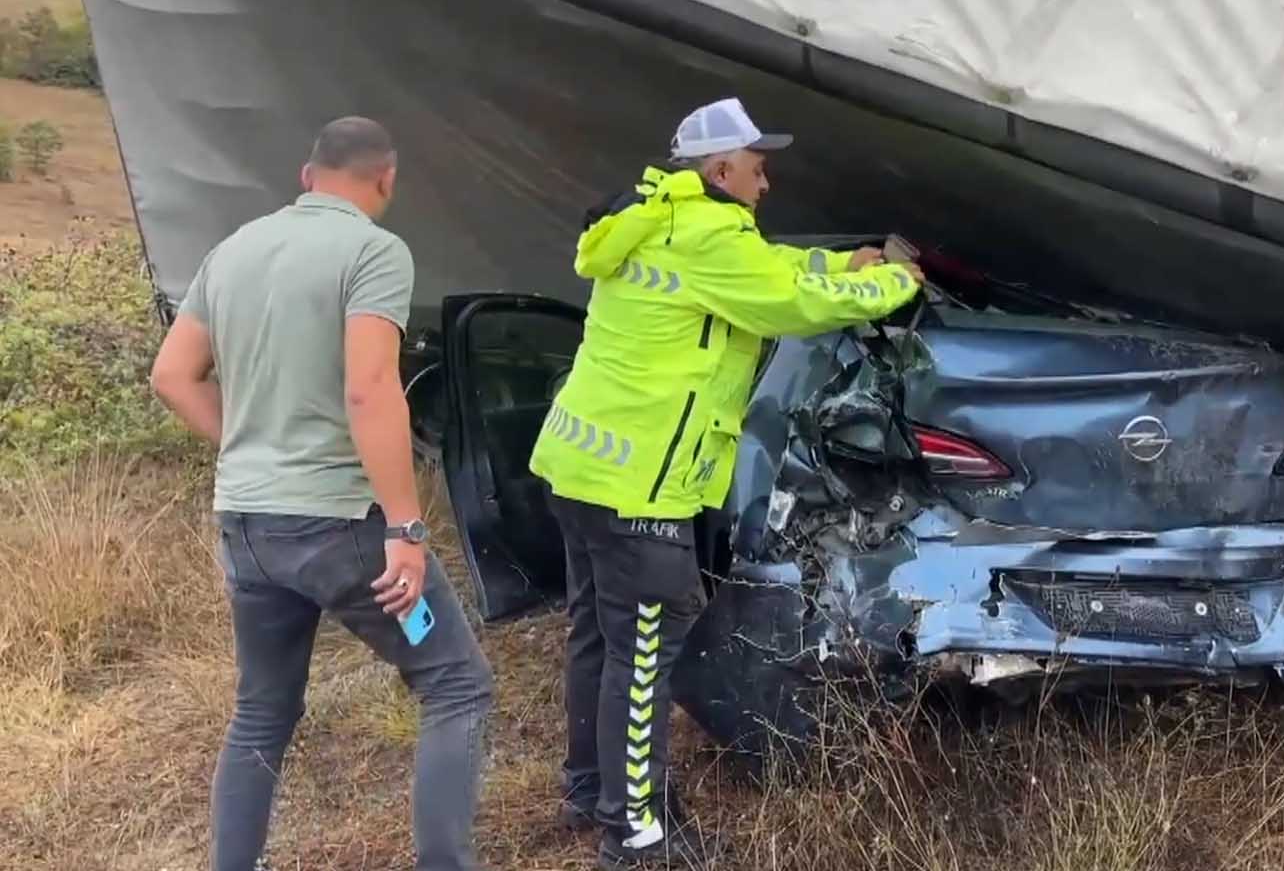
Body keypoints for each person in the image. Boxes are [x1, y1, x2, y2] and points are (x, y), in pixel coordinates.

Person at [534, 98, 922, 869]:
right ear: (720, 169)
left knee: (599, 641)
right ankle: (637, 835)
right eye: (756, 164)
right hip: (640, 485)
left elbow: (772, 269)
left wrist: (845, 261)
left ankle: (591, 790)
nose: (766, 180)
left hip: (580, 468)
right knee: (645, 650)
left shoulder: (663, 220)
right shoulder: (709, 237)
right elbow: (794, 302)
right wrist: (895, 285)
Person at [150, 117, 494, 871]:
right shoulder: (374, 252)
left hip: (246, 526)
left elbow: (172, 375)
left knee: (261, 715)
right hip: (342, 531)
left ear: (306, 178)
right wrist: (406, 528)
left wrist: (255, 454)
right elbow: (371, 389)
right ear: (386, 180)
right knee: (455, 686)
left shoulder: (231, 250)